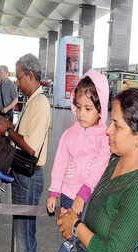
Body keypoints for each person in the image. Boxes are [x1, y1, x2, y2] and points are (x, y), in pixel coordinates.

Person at [56, 88, 138, 252]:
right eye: (110, 121)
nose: (108, 130)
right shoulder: (113, 163)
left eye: (117, 125)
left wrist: (76, 226)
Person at [0, 54, 50, 252]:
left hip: (30, 177)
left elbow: (30, 148)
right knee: (21, 235)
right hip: (22, 174)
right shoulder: (31, 101)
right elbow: (23, 136)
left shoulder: (40, 104)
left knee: (26, 240)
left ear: (31, 75)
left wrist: (8, 130)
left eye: (19, 76)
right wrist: (9, 126)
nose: (17, 82)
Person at [46, 69, 111, 218]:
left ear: (100, 109)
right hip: (68, 195)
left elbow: (100, 167)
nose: (81, 113)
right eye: (78, 107)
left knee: (85, 238)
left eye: (88, 109)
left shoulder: (105, 137)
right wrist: (54, 191)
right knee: (68, 234)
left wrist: (85, 191)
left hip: (92, 198)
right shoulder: (69, 134)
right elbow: (60, 164)